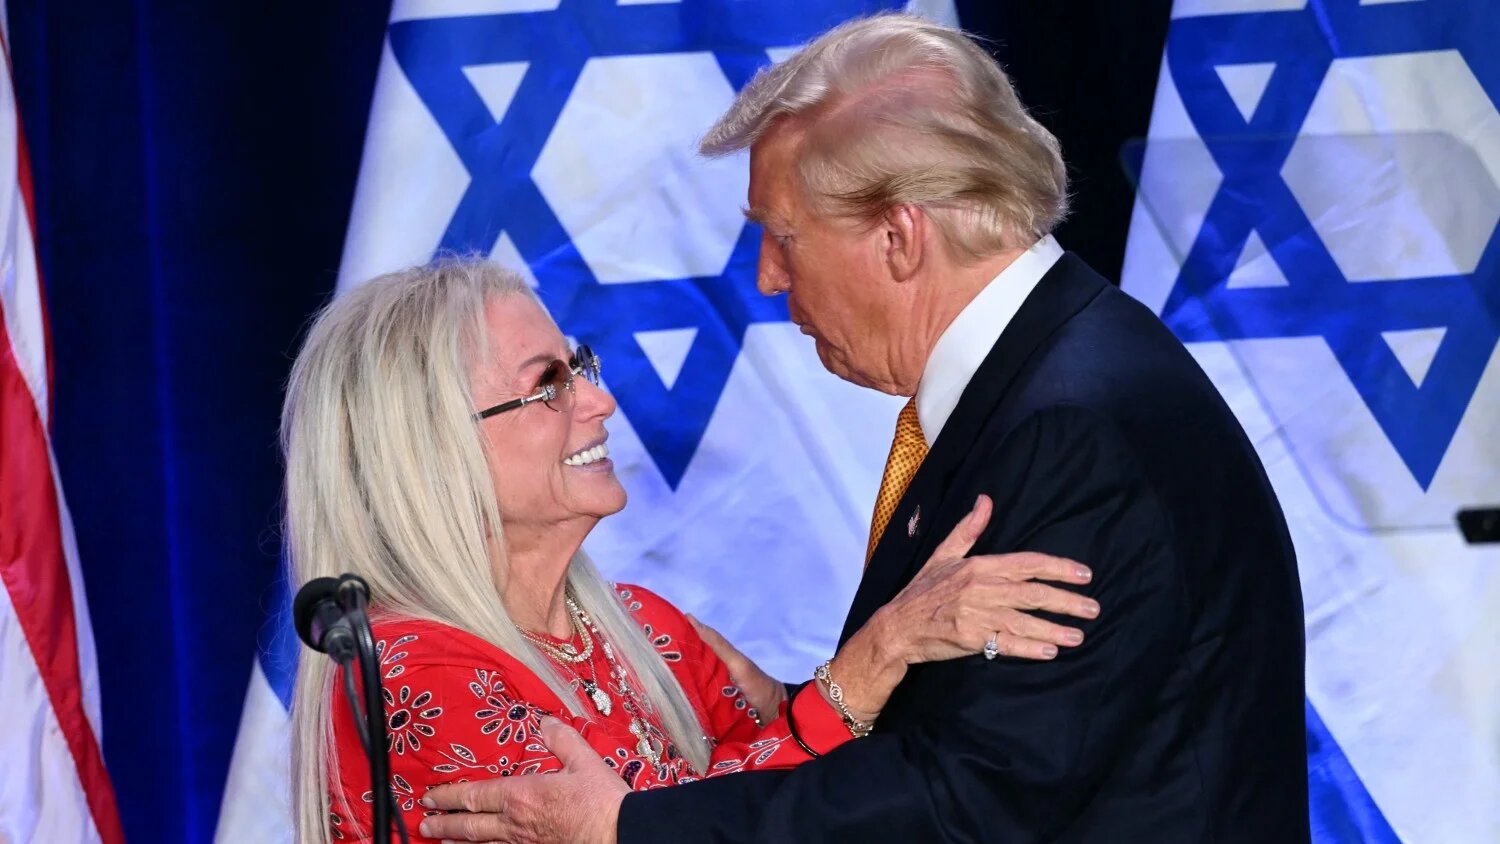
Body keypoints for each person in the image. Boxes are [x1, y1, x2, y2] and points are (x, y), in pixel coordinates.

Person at [418, 12, 1311, 844]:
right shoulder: (1057, 370)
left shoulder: (1072, 428)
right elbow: (984, 729)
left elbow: (972, 799)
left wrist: (629, 829)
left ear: (898, 236)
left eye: (784, 236)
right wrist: (822, 697)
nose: (768, 278)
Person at [283, 259, 1101, 843]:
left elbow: (798, 807)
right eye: (549, 385)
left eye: (582, 367)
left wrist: (818, 692)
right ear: (426, 450)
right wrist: (872, 658)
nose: (600, 401)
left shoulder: (648, 626)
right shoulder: (403, 674)